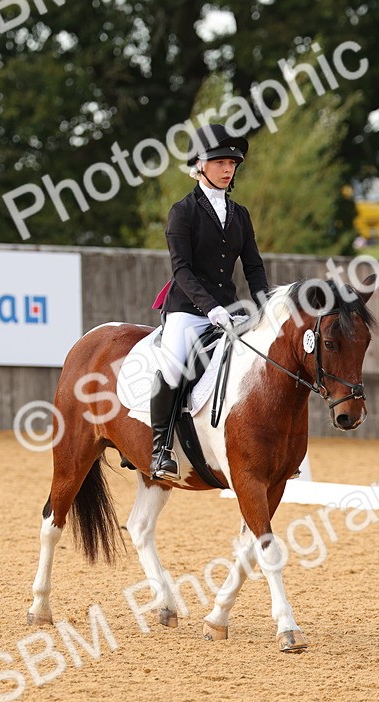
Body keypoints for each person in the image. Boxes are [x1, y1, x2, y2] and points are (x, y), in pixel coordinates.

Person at [149, 123, 269, 480]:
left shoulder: (240, 215)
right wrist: (210, 308)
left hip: (230, 310)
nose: (228, 168)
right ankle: (160, 448)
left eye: (233, 162)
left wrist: (264, 308)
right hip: (188, 310)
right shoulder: (181, 211)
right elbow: (181, 270)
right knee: (172, 367)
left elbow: (253, 266)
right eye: (220, 162)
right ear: (199, 164)